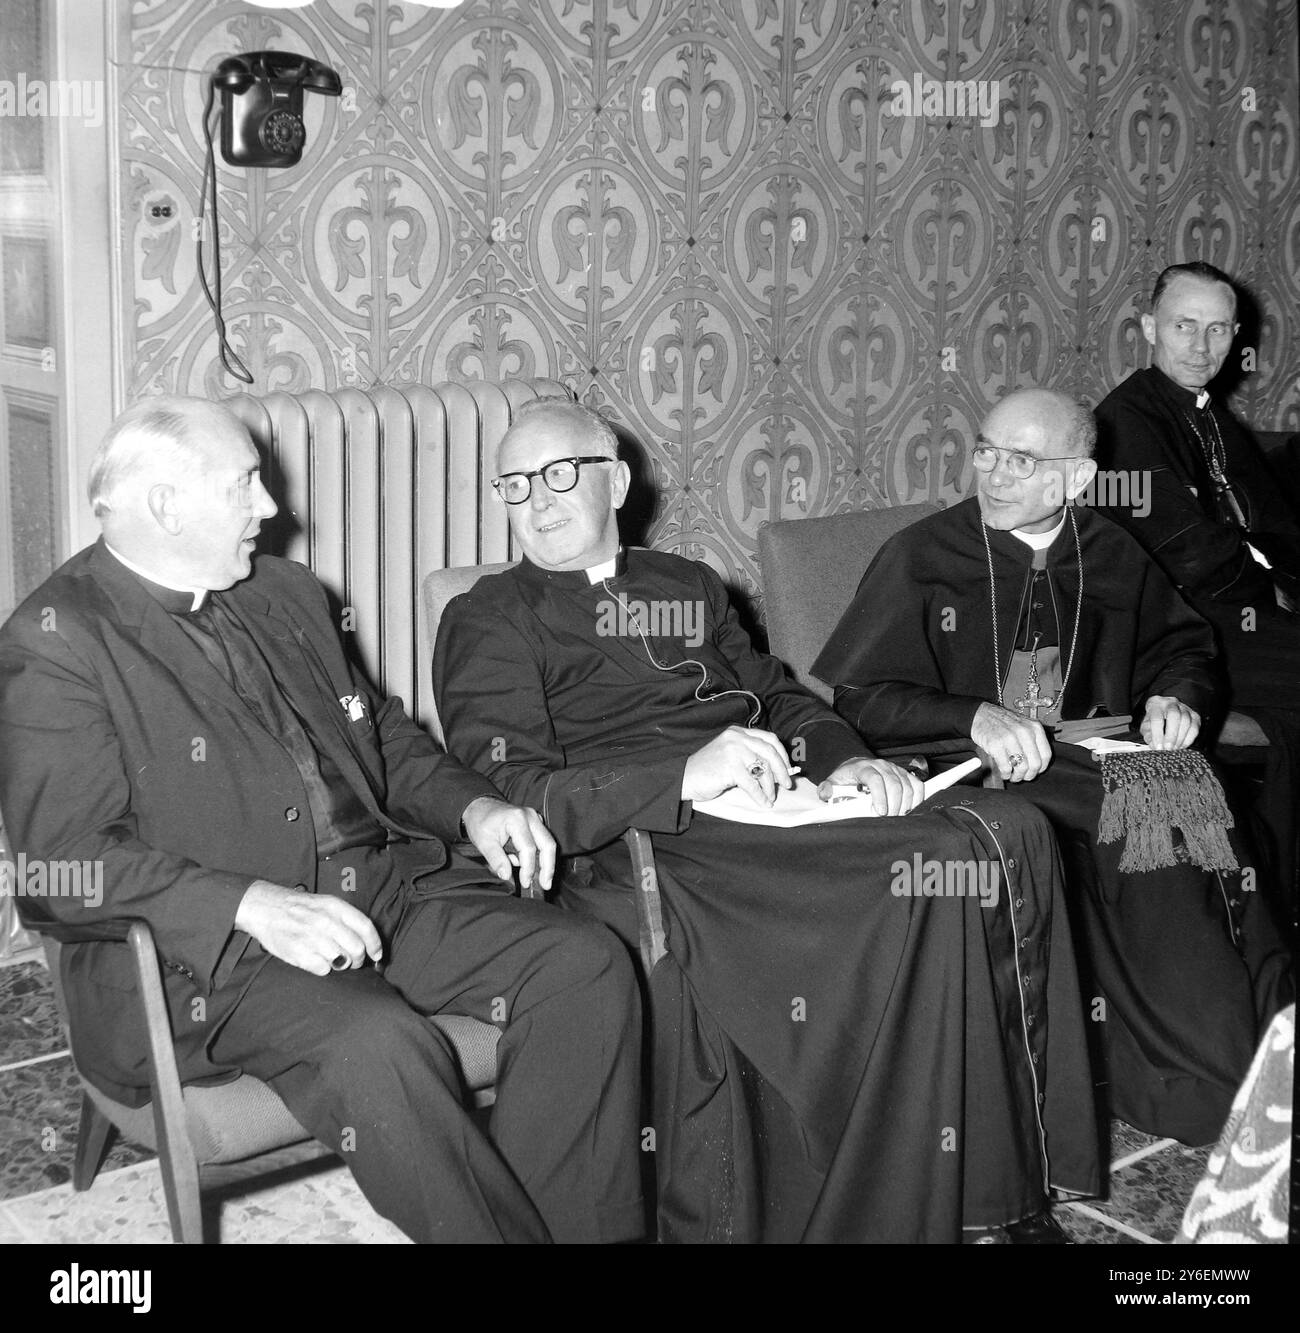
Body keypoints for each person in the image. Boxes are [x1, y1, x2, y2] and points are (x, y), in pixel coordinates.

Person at [433, 396, 1102, 1244]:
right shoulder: (490, 616)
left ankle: (991, 1185)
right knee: (925, 869)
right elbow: (516, 786)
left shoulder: (683, 584)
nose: (539, 499)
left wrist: (848, 758)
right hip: (652, 841)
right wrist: (683, 771)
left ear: (617, 480)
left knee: (1009, 830)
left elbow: (778, 693)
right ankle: (902, 1204)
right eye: (516, 484)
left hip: (770, 800)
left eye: (560, 473)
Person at [0, 397, 644, 1245]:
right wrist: (251, 903)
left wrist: (476, 804)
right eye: (247, 486)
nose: (273, 508)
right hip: (220, 960)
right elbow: (60, 867)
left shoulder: (288, 593)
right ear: (166, 506)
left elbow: (375, 734)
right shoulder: (60, 641)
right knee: (379, 1043)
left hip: (383, 891)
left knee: (584, 965)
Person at [814, 388, 1293, 1147]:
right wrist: (969, 714)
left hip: (1091, 751)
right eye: (986, 450)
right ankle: (1200, 1076)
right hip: (970, 772)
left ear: (1076, 479)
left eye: (1022, 460)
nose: (993, 474)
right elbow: (862, 694)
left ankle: (1260, 1037)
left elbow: (1186, 649)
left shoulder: (1108, 549)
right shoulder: (925, 555)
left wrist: (1177, 698)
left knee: (1213, 808)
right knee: (1166, 813)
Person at [1095, 260, 1300, 922]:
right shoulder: (1127, 420)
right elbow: (1189, 553)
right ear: (1150, 327)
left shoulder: (1211, 414)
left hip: (1246, 607)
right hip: (1190, 633)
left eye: (1218, 330)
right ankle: (1273, 904)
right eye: (1185, 326)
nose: (1202, 346)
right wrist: (1274, 581)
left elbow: (1277, 524)